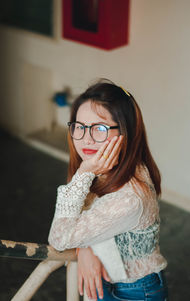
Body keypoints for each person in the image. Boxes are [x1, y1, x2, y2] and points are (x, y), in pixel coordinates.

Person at [48, 80, 168, 301]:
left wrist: (83, 174)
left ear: (126, 132)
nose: (86, 138)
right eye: (79, 126)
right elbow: (91, 219)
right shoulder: (106, 166)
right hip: (107, 277)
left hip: (135, 291)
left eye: (100, 128)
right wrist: (85, 248)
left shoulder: (130, 196)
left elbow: (59, 238)